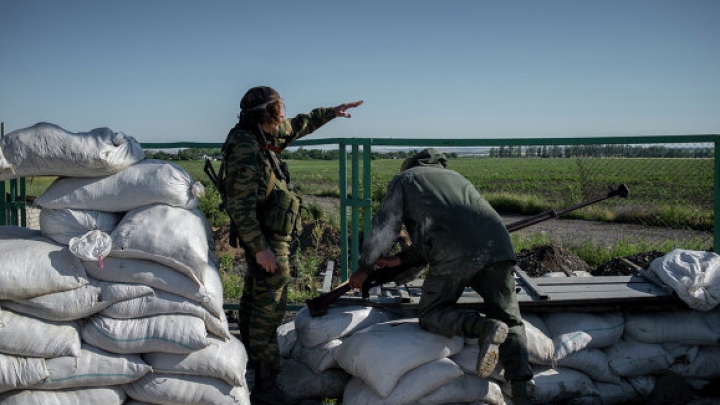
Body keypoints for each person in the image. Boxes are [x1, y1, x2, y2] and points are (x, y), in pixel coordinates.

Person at [348, 148, 533, 405]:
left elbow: (385, 227)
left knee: (431, 313)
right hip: (499, 247)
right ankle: (523, 391)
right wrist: (400, 260)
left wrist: (364, 268)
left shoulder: (405, 180)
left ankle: (484, 327)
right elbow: (441, 232)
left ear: (409, 165)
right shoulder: (457, 178)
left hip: (453, 253)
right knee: (511, 320)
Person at [221, 85, 362, 405]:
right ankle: (267, 385)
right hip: (267, 239)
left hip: (271, 235)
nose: (284, 111)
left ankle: (254, 366)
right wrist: (260, 249)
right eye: (279, 106)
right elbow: (239, 205)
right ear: (266, 112)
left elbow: (298, 124)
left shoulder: (261, 134)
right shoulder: (246, 146)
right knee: (268, 309)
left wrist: (332, 112)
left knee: (254, 302)